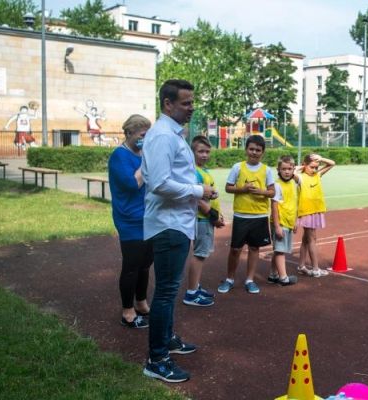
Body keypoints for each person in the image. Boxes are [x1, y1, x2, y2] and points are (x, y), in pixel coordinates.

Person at [141, 79, 214, 383]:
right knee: (167, 292)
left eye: (192, 102)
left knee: (169, 292)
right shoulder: (162, 136)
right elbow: (158, 183)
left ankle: (167, 339)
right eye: (185, 103)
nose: (191, 107)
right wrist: (199, 189)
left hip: (177, 223)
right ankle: (157, 359)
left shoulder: (171, 134)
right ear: (167, 104)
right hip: (169, 225)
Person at [108, 114, 153, 329]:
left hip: (149, 217)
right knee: (132, 266)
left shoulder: (144, 154)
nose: (145, 139)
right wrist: (148, 161)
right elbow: (130, 184)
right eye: (142, 135)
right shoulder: (119, 156)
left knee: (145, 265)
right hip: (130, 219)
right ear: (129, 133)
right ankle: (127, 311)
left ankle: (141, 303)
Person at [218, 135, 275, 294]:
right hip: (241, 216)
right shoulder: (238, 167)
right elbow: (228, 188)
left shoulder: (267, 170)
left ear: (262, 152)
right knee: (235, 249)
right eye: (251, 149)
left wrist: (261, 192)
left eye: (258, 150)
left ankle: (250, 280)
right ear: (246, 150)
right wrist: (242, 189)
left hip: (259, 216)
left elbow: (272, 192)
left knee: (254, 248)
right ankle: (230, 279)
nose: (254, 152)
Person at [182, 135, 224, 307]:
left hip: (204, 219)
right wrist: (214, 216)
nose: (205, 155)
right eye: (200, 151)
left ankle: (195, 286)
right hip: (202, 219)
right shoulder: (194, 171)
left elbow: (205, 194)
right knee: (199, 255)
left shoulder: (203, 171)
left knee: (201, 254)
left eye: (207, 151)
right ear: (192, 152)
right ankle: (191, 293)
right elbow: (197, 200)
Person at [296, 153, 335, 277]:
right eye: (311, 167)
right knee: (312, 239)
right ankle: (315, 269)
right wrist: (301, 167)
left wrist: (320, 159)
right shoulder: (300, 177)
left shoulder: (318, 175)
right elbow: (292, 171)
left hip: (316, 211)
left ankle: (301, 265)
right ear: (304, 165)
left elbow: (332, 163)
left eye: (316, 167)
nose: (314, 170)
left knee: (306, 239)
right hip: (306, 212)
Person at [268, 155, 299, 286]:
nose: (287, 171)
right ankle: (283, 278)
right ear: (278, 170)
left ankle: (273, 274)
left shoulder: (293, 183)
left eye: (290, 169)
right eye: (284, 169)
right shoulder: (276, 185)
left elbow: (294, 202)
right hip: (280, 222)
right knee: (280, 250)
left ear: (293, 169)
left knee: (278, 250)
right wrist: (277, 226)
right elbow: (274, 205)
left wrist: (295, 220)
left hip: (289, 221)